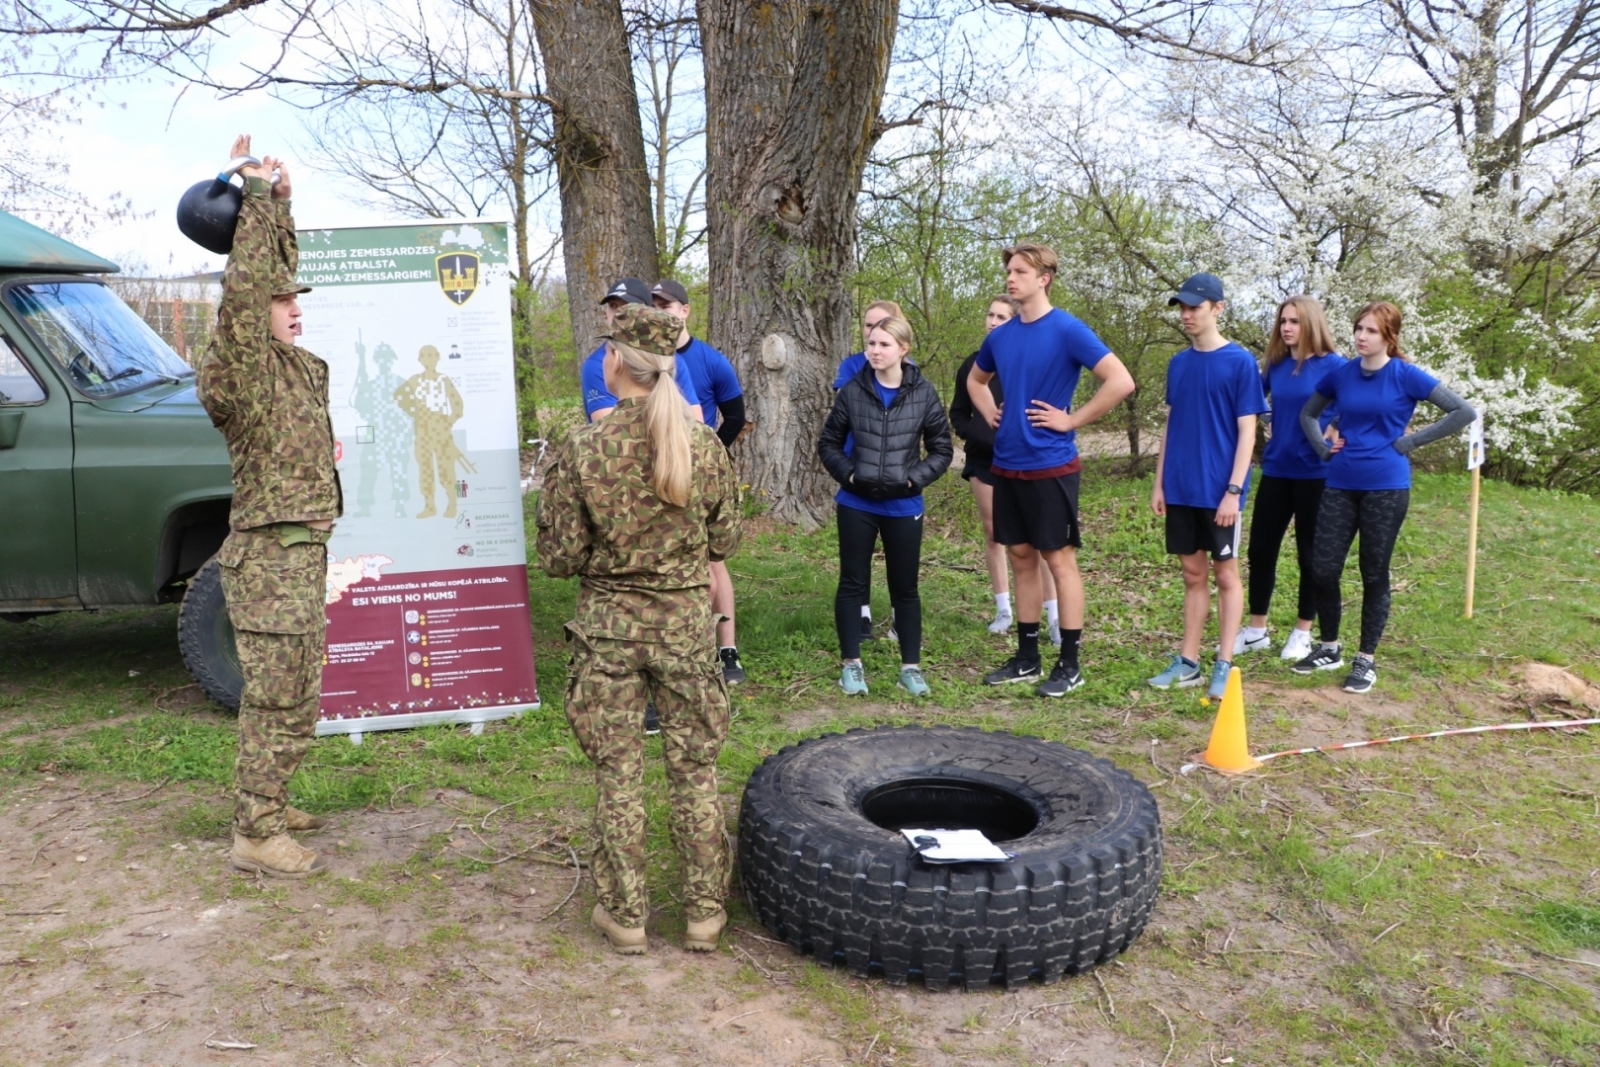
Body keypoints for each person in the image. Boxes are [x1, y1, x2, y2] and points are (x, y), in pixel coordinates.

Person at [536, 304, 741, 955]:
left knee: (619, 774)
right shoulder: (702, 443)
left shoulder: (586, 447)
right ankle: (705, 912)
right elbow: (726, 538)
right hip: (684, 630)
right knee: (694, 770)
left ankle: (625, 913)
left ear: (615, 362)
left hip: (609, 637)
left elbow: (560, 557)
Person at [194, 135, 340, 879]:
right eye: (284, 303)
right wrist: (250, 198)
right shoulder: (241, 369)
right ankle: (255, 828)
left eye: (294, 300)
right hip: (270, 553)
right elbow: (250, 286)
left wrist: (281, 205)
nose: (293, 308)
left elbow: (272, 274)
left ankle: (272, 796)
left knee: (300, 684)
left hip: (300, 550)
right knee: (279, 690)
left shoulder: (290, 368)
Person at [967, 244, 1136, 698]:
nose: (1010, 278)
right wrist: (990, 414)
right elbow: (974, 381)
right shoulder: (1000, 337)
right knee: (1021, 557)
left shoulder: (1067, 329)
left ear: (1044, 278)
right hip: (1007, 465)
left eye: (1020, 271)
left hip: (1051, 464)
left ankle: (1070, 663)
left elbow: (1120, 381)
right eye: (1008, 270)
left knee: (1058, 561)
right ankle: (1026, 658)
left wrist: (1072, 419)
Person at [1295, 302, 1475, 694]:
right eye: (1359, 328)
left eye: (1371, 331)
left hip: (1386, 487)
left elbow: (1463, 411)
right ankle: (1329, 647)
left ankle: (1366, 659)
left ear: (1389, 336)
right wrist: (1323, 451)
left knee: (1373, 572)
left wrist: (1409, 442)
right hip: (1340, 483)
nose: (1362, 336)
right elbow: (1309, 415)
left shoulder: (1405, 375)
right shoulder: (1343, 374)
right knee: (1323, 568)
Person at [1147, 273, 1270, 699]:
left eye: (1194, 307)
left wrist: (1233, 491)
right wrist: (1160, 482)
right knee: (1191, 573)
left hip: (1220, 492)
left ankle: (1223, 662)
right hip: (1180, 487)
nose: (1186, 315)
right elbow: (1171, 424)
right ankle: (1188, 662)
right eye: (1181, 307)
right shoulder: (1178, 363)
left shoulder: (1239, 363)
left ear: (1217, 309)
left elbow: (1247, 434)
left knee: (1226, 575)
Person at [818, 315, 952, 696]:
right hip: (856, 503)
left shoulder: (924, 393)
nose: (874, 351)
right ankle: (852, 666)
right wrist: (851, 476)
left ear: (903, 350)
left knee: (905, 588)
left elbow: (942, 449)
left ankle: (910, 668)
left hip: (903, 504)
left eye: (883, 345)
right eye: (871, 344)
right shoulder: (853, 391)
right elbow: (828, 443)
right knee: (852, 583)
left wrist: (914, 478)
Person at [1234, 296, 1346, 664]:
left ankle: (1302, 632)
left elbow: (1359, 404)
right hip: (1277, 469)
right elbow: (1255, 402)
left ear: (1311, 324)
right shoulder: (1277, 365)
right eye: (1283, 321)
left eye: (1295, 321)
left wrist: (1336, 426)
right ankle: (1256, 631)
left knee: (1310, 556)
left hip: (1317, 474)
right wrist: (1267, 422)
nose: (1286, 327)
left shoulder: (1335, 367)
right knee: (1261, 550)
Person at [651, 279, 748, 685]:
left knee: (713, 562)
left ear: (685, 310)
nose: (662, 311)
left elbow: (736, 417)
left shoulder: (709, 360)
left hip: (697, 475)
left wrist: (714, 455)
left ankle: (727, 650)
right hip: (655, 476)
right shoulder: (648, 357)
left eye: (668, 305)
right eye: (655, 305)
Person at [949, 295, 1060, 642]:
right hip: (985, 463)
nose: (993, 321)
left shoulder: (1025, 359)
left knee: (1038, 539)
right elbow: (958, 414)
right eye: (990, 315)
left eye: (1002, 316)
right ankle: (1003, 609)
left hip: (1027, 461)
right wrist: (980, 432)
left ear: (1014, 321)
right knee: (995, 534)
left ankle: (1054, 614)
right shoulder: (971, 365)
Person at [835, 299, 903, 643]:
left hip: (896, 481)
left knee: (900, 560)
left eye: (881, 326)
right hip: (857, 475)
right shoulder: (850, 367)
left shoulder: (911, 374)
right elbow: (847, 407)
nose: (872, 332)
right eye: (867, 326)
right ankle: (860, 614)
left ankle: (900, 616)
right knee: (856, 558)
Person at [580, 277, 700, 422]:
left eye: (627, 306)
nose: (618, 313)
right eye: (613, 305)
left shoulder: (671, 359)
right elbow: (609, 432)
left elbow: (695, 420)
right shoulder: (597, 364)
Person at [393, 344, 469, 519]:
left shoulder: (444, 380)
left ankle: (452, 505)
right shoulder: (415, 380)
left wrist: (449, 420)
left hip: (441, 428)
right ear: (420, 359)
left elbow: (457, 403)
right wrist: (415, 411)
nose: (428, 359)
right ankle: (430, 506)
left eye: (432, 355)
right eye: (425, 355)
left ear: (438, 358)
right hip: (423, 429)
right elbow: (399, 396)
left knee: (446, 467)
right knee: (425, 468)